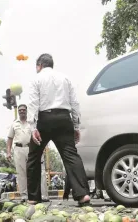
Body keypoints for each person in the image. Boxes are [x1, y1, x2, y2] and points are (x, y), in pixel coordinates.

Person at [26, 53, 90, 205]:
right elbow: (75, 103)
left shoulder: (37, 79)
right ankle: (82, 195)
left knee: (34, 158)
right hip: (63, 118)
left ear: (39, 65)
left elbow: (33, 104)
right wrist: (76, 126)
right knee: (71, 156)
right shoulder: (66, 78)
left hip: (44, 119)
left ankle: (33, 198)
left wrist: (33, 127)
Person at [6, 104, 49, 202]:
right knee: (21, 173)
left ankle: (43, 195)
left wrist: (42, 149)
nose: (22, 111)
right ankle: (24, 195)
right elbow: (9, 139)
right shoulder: (14, 124)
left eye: (23, 110)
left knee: (40, 171)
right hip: (19, 149)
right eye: (20, 110)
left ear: (26, 111)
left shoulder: (32, 122)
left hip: (33, 149)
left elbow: (40, 135)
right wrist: (8, 152)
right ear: (18, 112)